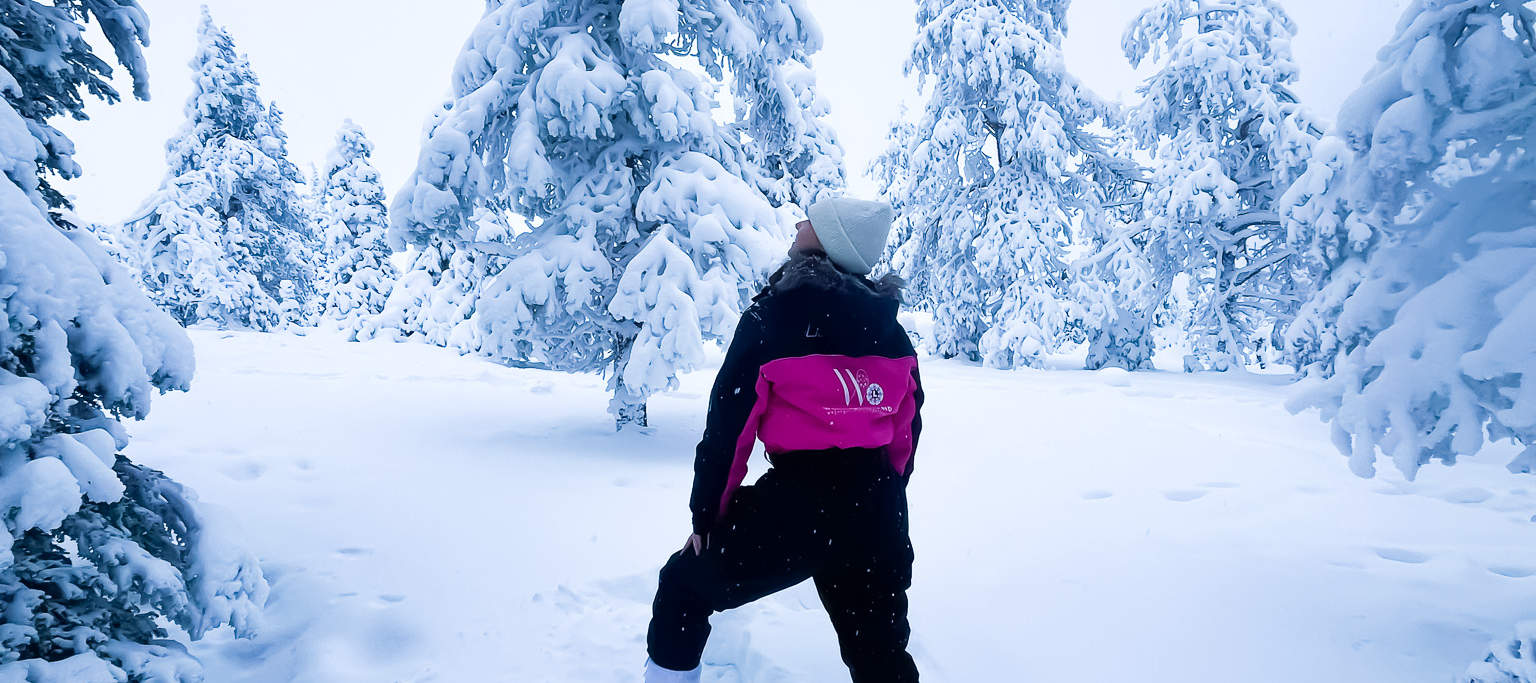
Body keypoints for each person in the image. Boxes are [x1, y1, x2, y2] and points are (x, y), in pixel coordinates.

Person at [643, 197, 924, 682]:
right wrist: (882, 498)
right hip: (877, 511)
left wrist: (708, 514)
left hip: (799, 508)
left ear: (832, 240)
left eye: (812, 221)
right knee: (880, 657)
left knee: (684, 588)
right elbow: (907, 432)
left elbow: (730, 427)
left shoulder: (774, 318)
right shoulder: (892, 333)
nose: (799, 223)